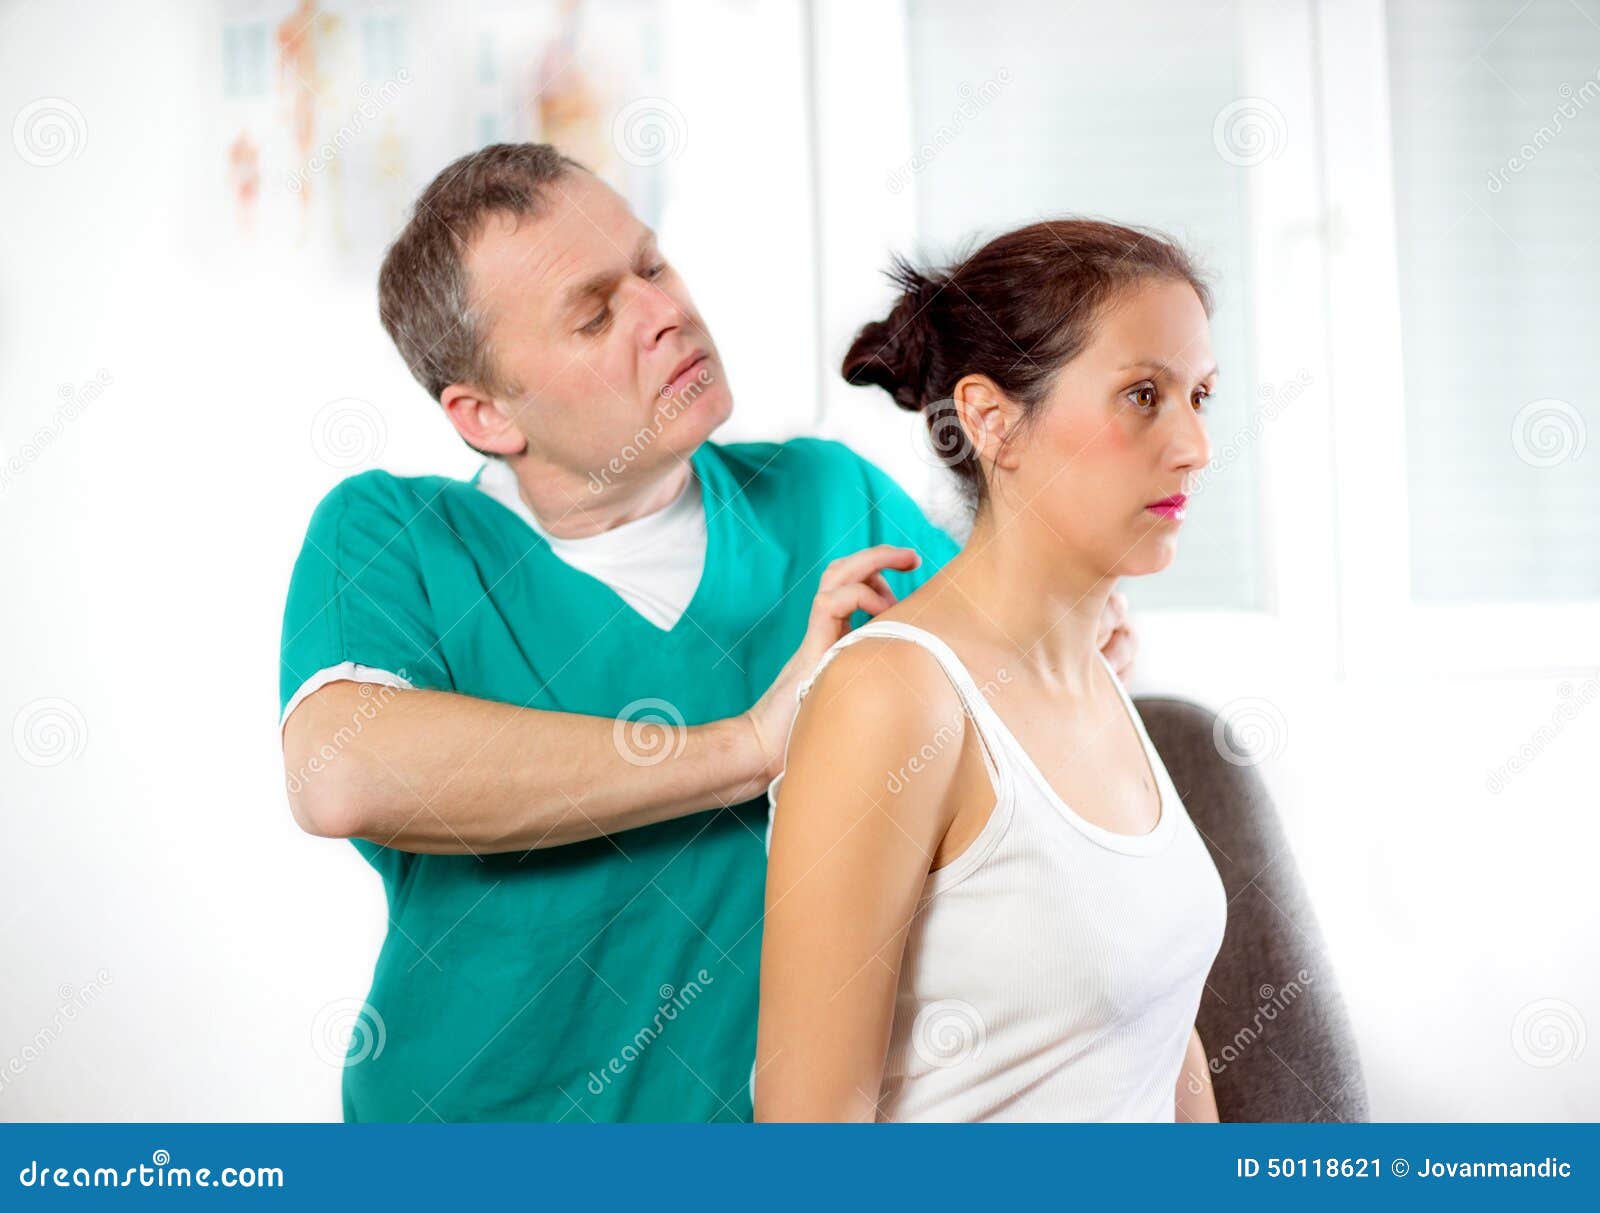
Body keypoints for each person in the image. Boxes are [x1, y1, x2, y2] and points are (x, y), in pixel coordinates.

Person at [278, 144, 1135, 1122]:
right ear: (485, 416)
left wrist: (1076, 640)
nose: (663, 312)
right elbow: (338, 770)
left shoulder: (824, 498)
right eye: (596, 314)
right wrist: (750, 747)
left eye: (651, 265)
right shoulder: (397, 534)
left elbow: (1020, 692)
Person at [754, 220, 1226, 1122]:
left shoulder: (1095, 682)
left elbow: (1159, 1040)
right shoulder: (890, 699)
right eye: (1142, 395)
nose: (1196, 445)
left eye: (1201, 395)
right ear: (990, 419)